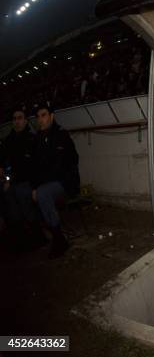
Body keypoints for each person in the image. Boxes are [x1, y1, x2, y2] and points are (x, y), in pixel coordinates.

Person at [30, 102, 80, 259]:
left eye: (44, 115)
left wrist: (41, 186)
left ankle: (59, 239)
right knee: (25, 191)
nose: (40, 119)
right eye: (38, 116)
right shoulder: (37, 139)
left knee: (43, 193)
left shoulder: (61, 135)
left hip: (65, 184)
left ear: (52, 116)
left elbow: (71, 161)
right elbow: (35, 168)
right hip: (48, 184)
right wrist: (34, 187)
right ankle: (38, 235)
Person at [0, 107, 45, 250]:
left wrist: (11, 180)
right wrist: (6, 177)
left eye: (20, 118)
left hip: (26, 182)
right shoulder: (8, 141)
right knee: (11, 207)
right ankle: (21, 240)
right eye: (14, 118)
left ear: (25, 121)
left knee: (24, 201)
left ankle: (39, 237)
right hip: (12, 182)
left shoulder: (32, 139)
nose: (16, 121)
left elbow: (32, 166)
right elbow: (4, 162)